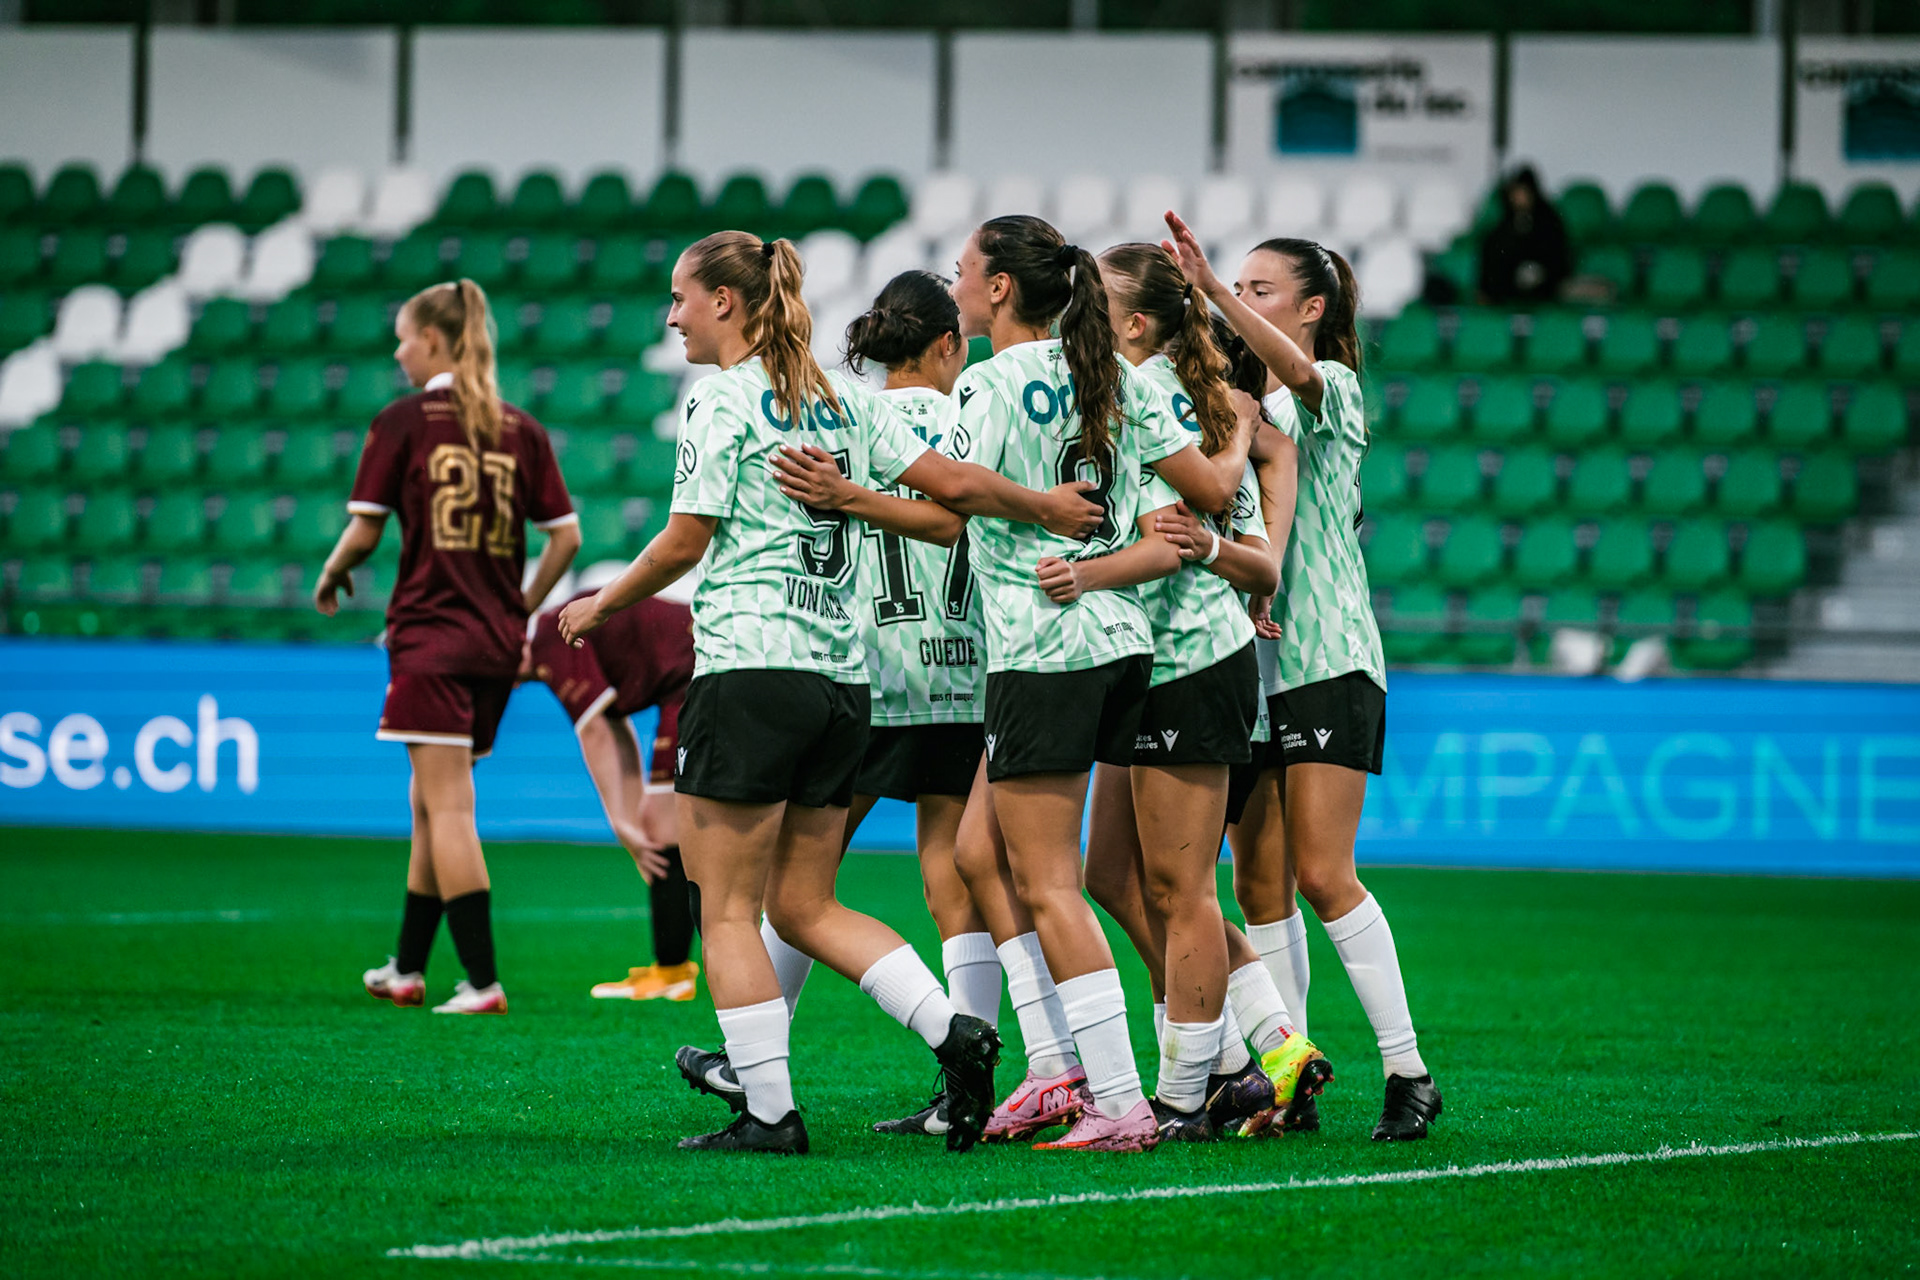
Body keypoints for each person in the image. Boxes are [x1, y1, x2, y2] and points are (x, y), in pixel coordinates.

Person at [556, 231, 1105, 1155]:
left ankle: (769, 1113)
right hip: (842, 684)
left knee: (726, 908)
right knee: (805, 906)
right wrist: (1045, 506)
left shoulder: (722, 401)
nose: (672, 314)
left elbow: (688, 542)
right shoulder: (842, 401)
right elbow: (951, 503)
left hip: (750, 667)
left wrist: (601, 604)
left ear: (727, 303)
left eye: (683, 296)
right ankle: (955, 1033)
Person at [941, 214, 1256, 1154]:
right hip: (1127, 646)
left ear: (1001, 288)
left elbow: (952, 492)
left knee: (1052, 885)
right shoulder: (1112, 376)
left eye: (964, 268)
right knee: (1025, 858)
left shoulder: (991, 381)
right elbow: (1195, 495)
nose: (956, 281)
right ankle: (1097, 1070)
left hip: (1045, 643)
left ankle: (1118, 1096)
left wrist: (1020, 505)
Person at [1165, 212, 1444, 1141]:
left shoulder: (1330, 387)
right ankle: (1293, 1078)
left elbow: (1295, 373)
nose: (1240, 300)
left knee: (1326, 875)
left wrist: (1207, 290)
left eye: (1259, 289)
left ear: (1311, 307)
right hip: (1252, 671)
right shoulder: (1235, 407)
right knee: (1259, 887)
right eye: (1237, 288)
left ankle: (1409, 1071)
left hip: (1326, 657)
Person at [1068, 241, 1331, 1142]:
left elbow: (1234, 527)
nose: (1079, 309)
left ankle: (1192, 1091)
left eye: (1095, 299)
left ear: (1137, 324)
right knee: (1109, 872)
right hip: (1143, 658)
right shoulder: (1186, 404)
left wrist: (1083, 572)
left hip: (1188, 661)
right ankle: (1266, 1046)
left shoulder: (1163, 400)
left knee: (1183, 890)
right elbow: (1252, 534)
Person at [760, 269, 1001, 1139]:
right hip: (973, 672)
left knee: (796, 878)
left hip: (877, 671)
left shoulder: (852, 420)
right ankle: (972, 1081)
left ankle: (759, 1059)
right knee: (957, 876)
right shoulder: (976, 416)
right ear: (946, 344)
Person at [317, 278, 580, 1015]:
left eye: (404, 336)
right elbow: (567, 537)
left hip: (430, 638)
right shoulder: (520, 428)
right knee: (431, 804)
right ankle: (405, 967)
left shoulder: (402, 423)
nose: (397, 349)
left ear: (433, 340)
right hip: (495, 646)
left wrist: (333, 572)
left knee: (449, 808)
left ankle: (481, 980)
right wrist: (519, 606)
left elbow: (366, 531)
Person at [523, 570, 700, 1002]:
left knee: (662, 833)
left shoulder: (549, 637)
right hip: (693, 678)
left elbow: (596, 734)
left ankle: (673, 971)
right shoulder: (549, 633)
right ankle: (672, 967)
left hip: (698, 676)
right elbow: (614, 725)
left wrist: (624, 825)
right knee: (660, 828)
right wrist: (631, 815)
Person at [1477, 165, 1571, 306]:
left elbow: (1558, 259)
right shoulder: (1502, 225)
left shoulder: (1549, 221)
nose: (1518, 197)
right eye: (1515, 192)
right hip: (1509, 290)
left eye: (1523, 191)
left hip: (1544, 288)